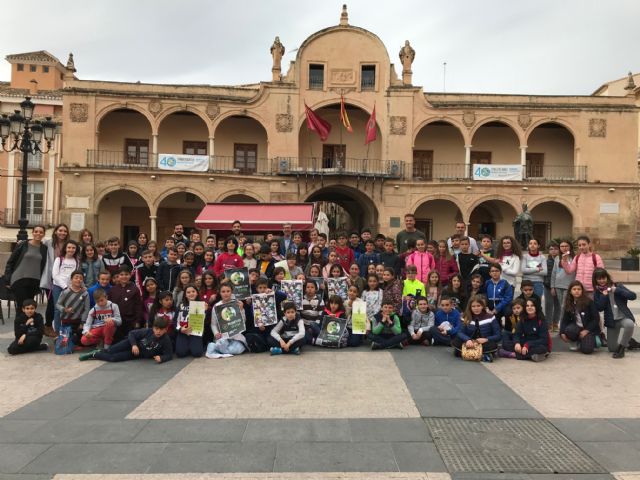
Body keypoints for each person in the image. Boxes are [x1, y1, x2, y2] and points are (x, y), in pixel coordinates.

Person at [79, 316, 173, 363]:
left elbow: (169, 354)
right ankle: (100, 350)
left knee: (113, 358)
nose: (158, 331)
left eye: (161, 330)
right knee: (111, 350)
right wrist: (134, 345)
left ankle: (95, 354)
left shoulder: (166, 339)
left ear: (166, 329)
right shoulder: (147, 331)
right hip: (130, 343)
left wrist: (162, 358)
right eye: (156, 329)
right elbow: (131, 333)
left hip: (137, 354)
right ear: (153, 328)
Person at [593, 268, 637, 358]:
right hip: (612, 322)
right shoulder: (597, 292)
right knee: (612, 348)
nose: (602, 280)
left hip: (623, 318)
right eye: (599, 279)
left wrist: (617, 290)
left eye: (603, 278)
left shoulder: (618, 286)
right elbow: (599, 308)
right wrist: (604, 296)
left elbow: (633, 296)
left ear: (607, 277)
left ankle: (622, 349)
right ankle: (630, 343)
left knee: (629, 324)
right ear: (595, 280)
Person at [3, 225, 48, 311]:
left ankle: (27, 324)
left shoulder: (44, 248)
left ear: (44, 234)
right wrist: (7, 279)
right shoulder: (22, 244)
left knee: (30, 307)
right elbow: (10, 262)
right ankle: (20, 324)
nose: (38, 233)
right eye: (36, 231)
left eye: (41, 232)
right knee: (22, 307)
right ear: (33, 233)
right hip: (19, 279)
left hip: (34, 282)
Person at [40, 223, 70, 337]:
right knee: (52, 304)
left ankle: (61, 326)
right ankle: (48, 325)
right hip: (51, 278)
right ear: (56, 231)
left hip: (64, 280)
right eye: (60, 230)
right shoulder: (48, 243)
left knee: (63, 304)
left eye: (65, 231)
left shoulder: (68, 244)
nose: (62, 233)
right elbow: (36, 244)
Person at [452, 295, 501, 362]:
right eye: (473, 306)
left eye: (478, 306)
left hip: (483, 343)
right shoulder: (465, 317)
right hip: (470, 342)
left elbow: (498, 335)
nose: (476, 308)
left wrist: (486, 339)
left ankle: (465, 353)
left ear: (482, 306)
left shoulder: (491, 317)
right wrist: (467, 340)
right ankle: (482, 356)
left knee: (492, 345)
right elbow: (460, 332)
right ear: (470, 307)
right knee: (456, 341)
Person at [208, 282, 248, 357]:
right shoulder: (216, 306)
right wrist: (216, 333)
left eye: (228, 291)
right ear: (220, 293)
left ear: (231, 292)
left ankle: (223, 350)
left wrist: (241, 309)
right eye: (223, 291)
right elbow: (213, 324)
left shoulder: (237, 303)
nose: (226, 293)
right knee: (222, 344)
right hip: (223, 335)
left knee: (238, 350)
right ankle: (222, 348)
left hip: (235, 335)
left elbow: (243, 321)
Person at [560, 281, 600, 354]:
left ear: (582, 291)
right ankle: (575, 341)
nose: (576, 291)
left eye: (579, 289)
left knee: (587, 350)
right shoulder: (569, 303)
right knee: (569, 330)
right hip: (577, 327)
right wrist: (562, 332)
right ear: (570, 291)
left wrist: (587, 330)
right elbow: (565, 320)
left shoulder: (589, 302)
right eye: (574, 289)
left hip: (589, 329)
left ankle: (590, 340)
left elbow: (596, 319)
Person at [51, 240, 81, 334]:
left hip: (71, 288)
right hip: (58, 287)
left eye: (73, 248)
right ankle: (57, 331)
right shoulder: (59, 259)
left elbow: (75, 276)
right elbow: (55, 275)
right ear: (65, 248)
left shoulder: (76, 261)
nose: (71, 250)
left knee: (69, 309)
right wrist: (64, 286)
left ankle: (66, 331)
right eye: (69, 247)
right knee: (58, 309)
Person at [108, 266, 143, 337]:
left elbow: (138, 306)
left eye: (126, 274)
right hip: (117, 321)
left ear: (130, 275)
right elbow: (109, 306)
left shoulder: (135, 289)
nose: (124, 277)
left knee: (129, 342)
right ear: (118, 276)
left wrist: (137, 321)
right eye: (121, 275)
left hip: (130, 321)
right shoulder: (113, 290)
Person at [56, 270, 90, 342]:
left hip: (79, 321)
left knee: (81, 341)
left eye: (81, 278)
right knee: (65, 341)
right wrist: (64, 309)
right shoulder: (65, 292)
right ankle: (60, 337)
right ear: (71, 279)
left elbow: (87, 309)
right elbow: (58, 304)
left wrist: (82, 322)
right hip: (66, 320)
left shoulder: (85, 293)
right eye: (76, 277)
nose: (78, 280)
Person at [551, 239, 575, 331]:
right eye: (562, 246)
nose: (564, 248)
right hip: (558, 286)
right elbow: (554, 273)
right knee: (562, 306)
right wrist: (553, 286)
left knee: (564, 306)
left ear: (570, 247)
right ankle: (565, 325)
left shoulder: (574, 258)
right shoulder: (557, 258)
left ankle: (562, 326)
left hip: (569, 285)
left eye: (566, 246)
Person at [175, 285, 204, 358]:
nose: (191, 293)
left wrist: (205, 311)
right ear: (185, 295)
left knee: (197, 353)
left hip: (195, 332)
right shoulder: (181, 305)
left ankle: (197, 345)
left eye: (193, 291)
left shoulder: (201, 304)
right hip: (183, 333)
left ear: (197, 293)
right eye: (188, 292)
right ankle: (187, 346)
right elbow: (174, 321)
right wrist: (180, 329)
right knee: (180, 353)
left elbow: (204, 322)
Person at [544, 242, 561, 331]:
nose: (553, 251)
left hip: (559, 286)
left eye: (555, 249)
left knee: (558, 305)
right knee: (548, 305)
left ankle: (555, 323)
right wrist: (549, 285)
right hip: (548, 286)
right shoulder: (546, 261)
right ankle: (549, 324)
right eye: (551, 249)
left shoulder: (561, 260)